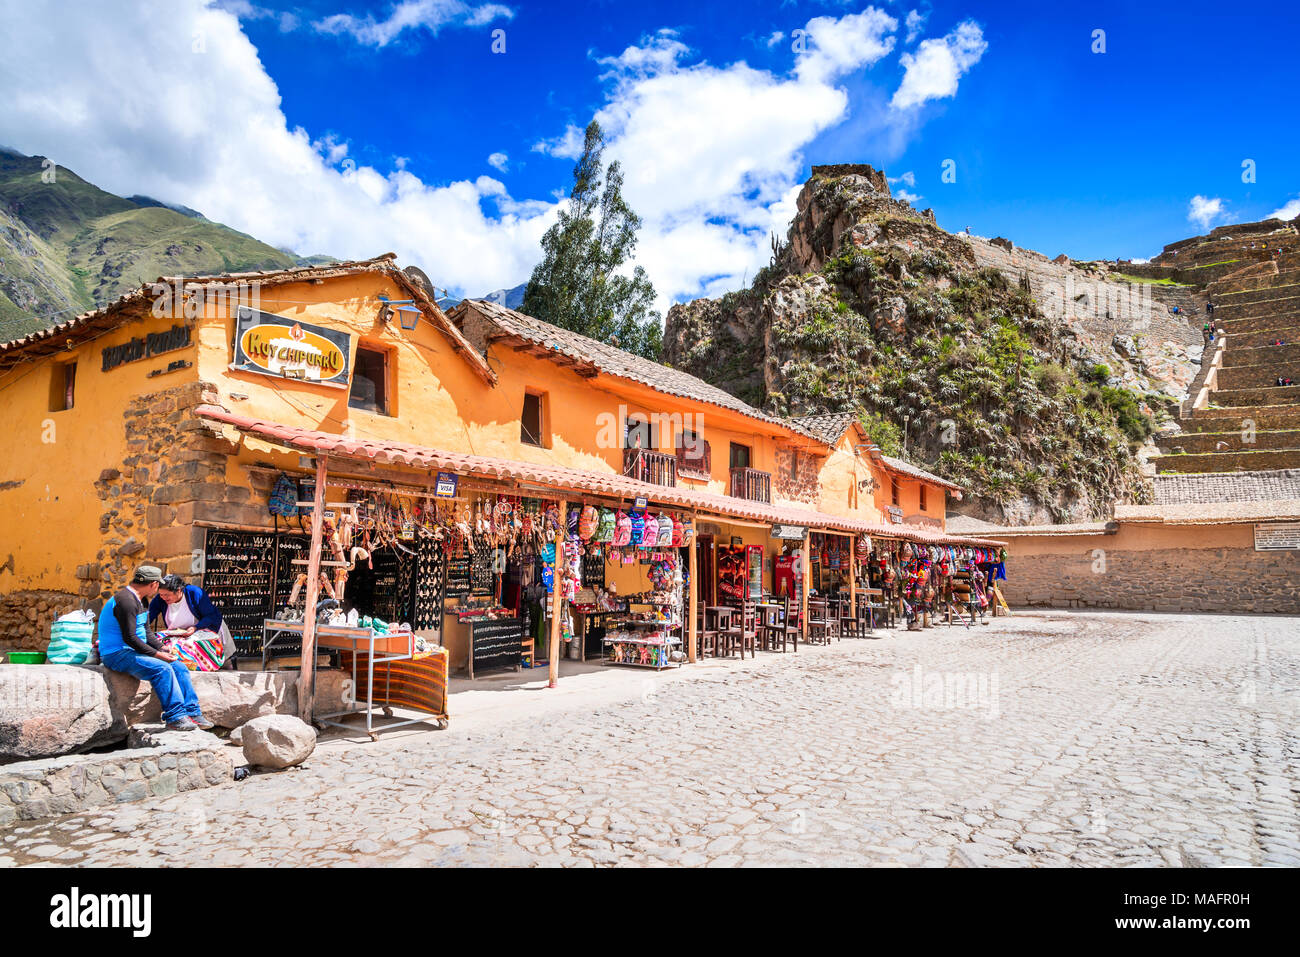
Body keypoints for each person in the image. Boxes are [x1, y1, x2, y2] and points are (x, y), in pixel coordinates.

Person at [98, 565, 212, 731]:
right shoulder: (126, 601)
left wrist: (163, 648)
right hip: (116, 653)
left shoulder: (141, 599)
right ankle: (175, 717)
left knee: (179, 667)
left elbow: (145, 631)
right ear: (152, 584)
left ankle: (193, 713)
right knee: (162, 669)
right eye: (158, 585)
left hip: (133, 650)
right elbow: (130, 638)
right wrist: (158, 655)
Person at [148, 574, 232, 671]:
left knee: (188, 646)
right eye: (161, 594)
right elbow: (149, 616)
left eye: (167, 595)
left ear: (178, 590)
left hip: (203, 628)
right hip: (178, 634)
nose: (163, 597)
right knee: (157, 640)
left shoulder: (195, 593)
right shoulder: (160, 599)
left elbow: (210, 616)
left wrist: (195, 627)